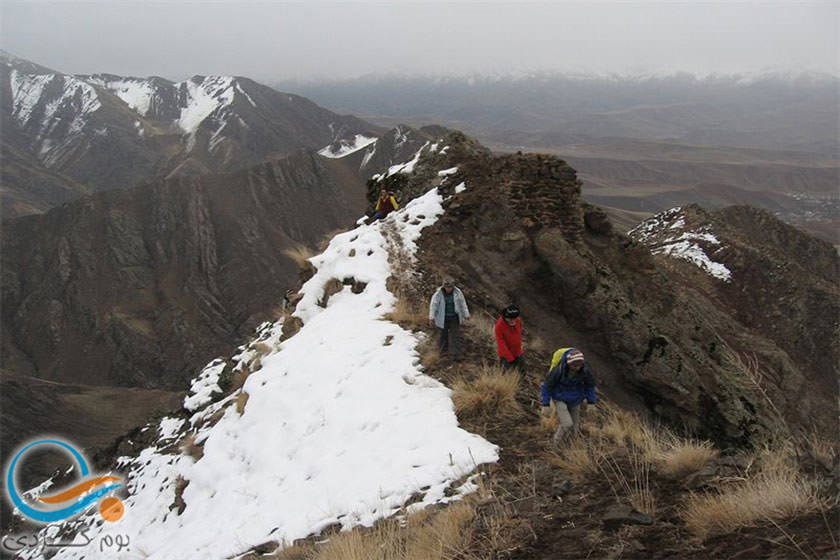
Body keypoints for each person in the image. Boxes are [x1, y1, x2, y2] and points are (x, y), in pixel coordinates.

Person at [540, 347, 596, 448]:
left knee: (574, 429)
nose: (577, 368)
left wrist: (591, 402)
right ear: (569, 363)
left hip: (575, 400)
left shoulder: (584, 371)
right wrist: (545, 404)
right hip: (559, 398)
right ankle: (555, 445)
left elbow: (590, 385)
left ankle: (568, 449)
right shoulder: (558, 370)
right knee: (567, 424)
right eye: (575, 365)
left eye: (579, 365)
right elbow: (547, 386)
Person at [428, 277, 469, 357]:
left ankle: (456, 353)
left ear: (453, 286)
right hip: (442, 318)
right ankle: (443, 353)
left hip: (454, 317)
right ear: (443, 286)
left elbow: (462, 303)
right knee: (442, 336)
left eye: (450, 287)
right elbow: (433, 306)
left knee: (455, 336)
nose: (448, 289)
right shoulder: (438, 294)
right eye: (447, 287)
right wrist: (431, 318)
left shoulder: (458, 293)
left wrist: (466, 314)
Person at [495, 305, 525, 371]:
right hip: (506, 356)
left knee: (522, 372)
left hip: (518, 352)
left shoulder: (518, 320)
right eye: (510, 319)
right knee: (507, 374)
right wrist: (510, 358)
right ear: (505, 317)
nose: (513, 321)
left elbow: (519, 333)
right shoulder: (499, 326)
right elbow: (501, 344)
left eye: (515, 318)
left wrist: (520, 348)